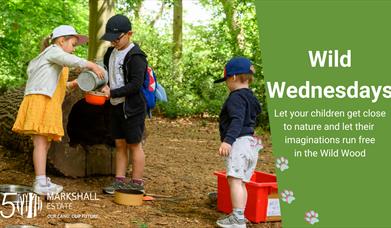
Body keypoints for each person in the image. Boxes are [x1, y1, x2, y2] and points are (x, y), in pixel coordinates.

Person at [12, 25, 105, 195]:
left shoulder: (58, 61)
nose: (74, 48)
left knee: (45, 142)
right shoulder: (53, 51)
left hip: (50, 103)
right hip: (40, 100)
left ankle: (42, 179)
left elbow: (60, 85)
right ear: (62, 41)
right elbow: (73, 61)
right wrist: (92, 65)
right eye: (73, 44)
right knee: (40, 142)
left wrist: (75, 83)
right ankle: (39, 182)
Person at [100, 14, 147, 194]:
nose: (113, 43)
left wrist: (113, 92)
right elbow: (108, 75)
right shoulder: (110, 53)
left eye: (117, 39)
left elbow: (135, 85)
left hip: (132, 108)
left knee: (134, 144)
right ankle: (119, 180)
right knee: (119, 143)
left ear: (129, 34)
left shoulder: (136, 56)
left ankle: (137, 182)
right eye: (110, 40)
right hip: (115, 105)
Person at [214, 57, 263, 228]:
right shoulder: (251, 98)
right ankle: (240, 214)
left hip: (239, 143)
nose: (227, 84)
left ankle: (237, 218)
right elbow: (253, 118)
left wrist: (228, 141)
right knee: (241, 181)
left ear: (233, 77)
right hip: (251, 144)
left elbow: (237, 120)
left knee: (234, 180)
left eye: (227, 79)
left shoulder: (235, 98)